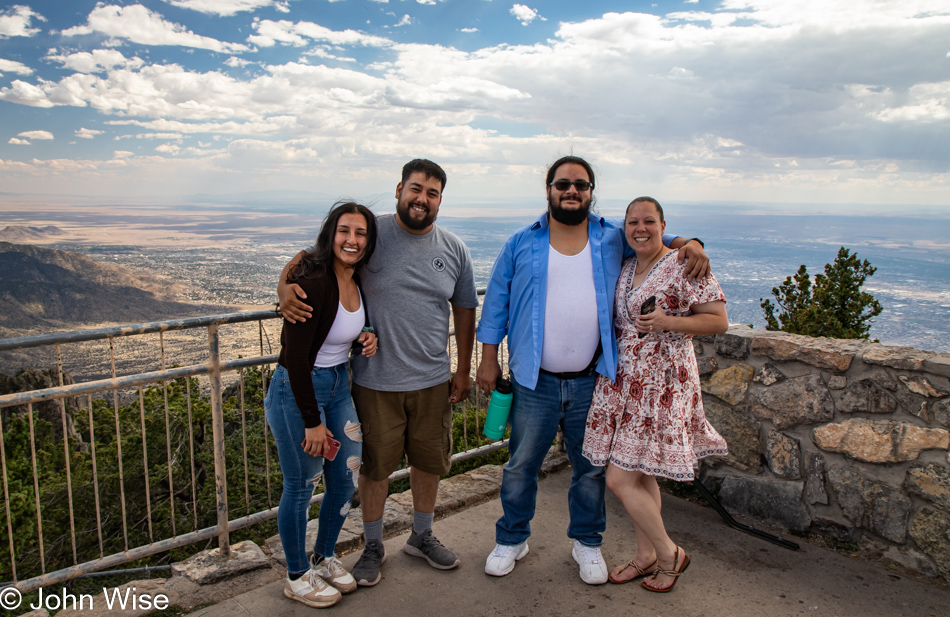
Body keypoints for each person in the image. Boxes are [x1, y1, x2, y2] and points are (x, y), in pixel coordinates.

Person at [475, 156, 709, 585]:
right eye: (562, 183)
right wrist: (488, 359)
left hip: (593, 381)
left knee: (590, 470)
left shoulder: (610, 237)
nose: (571, 191)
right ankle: (512, 539)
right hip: (535, 381)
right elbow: (496, 306)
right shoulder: (520, 243)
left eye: (580, 185)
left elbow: (651, 237)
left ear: (590, 192)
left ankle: (587, 543)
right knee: (520, 464)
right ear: (548, 189)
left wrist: (688, 242)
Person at [278, 159, 478, 588]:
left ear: (441, 199)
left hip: (432, 379)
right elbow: (309, 258)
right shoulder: (372, 233)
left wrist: (463, 369)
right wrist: (283, 288)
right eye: (415, 189)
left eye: (432, 192)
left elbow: (464, 309)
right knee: (373, 469)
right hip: (373, 381)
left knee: (429, 464)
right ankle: (372, 546)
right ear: (399, 189)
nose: (422, 198)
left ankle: (421, 535)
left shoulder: (454, 248)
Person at [582, 196, 728, 593]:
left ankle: (669, 554)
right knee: (642, 476)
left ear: (664, 225)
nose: (640, 228)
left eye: (649, 221)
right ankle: (646, 556)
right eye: (633, 222)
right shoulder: (629, 265)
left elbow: (719, 320)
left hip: (662, 387)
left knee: (619, 479)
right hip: (626, 385)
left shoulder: (684, 264)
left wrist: (669, 321)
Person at [266, 201, 379, 608]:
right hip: (298, 390)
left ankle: (324, 556)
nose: (352, 240)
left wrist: (365, 335)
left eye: (361, 233)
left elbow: (344, 326)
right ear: (331, 234)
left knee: (347, 476)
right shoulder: (314, 281)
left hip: (336, 386)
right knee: (301, 486)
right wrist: (312, 422)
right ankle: (296, 574)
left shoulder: (357, 278)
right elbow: (295, 357)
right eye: (344, 231)